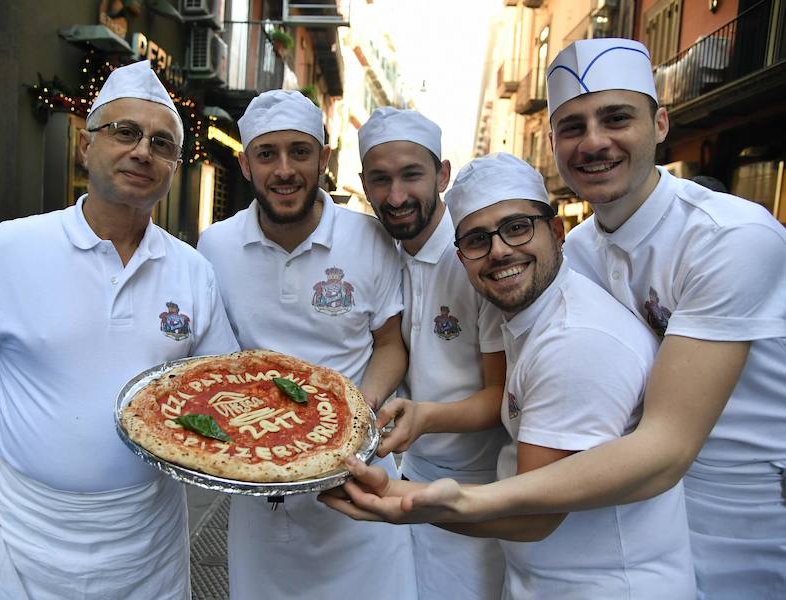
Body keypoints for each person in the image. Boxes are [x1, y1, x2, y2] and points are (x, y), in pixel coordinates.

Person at [326, 38, 786, 599]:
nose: (593, 142)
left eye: (616, 118)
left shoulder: (729, 237)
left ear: (661, 123)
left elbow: (665, 445)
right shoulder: (580, 248)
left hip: (742, 501)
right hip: (621, 509)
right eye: (572, 127)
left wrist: (444, 499)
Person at [0, 60, 239, 599]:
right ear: (85, 147)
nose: (143, 151)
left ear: (174, 167)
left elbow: (216, 395)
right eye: (125, 132)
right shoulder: (6, 250)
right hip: (19, 534)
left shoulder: (194, 271)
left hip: (148, 542)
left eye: (162, 143)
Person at [323, 153, 696, 598]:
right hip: (551, 576)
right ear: (462, 260)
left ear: (556, 233)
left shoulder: (573, 342)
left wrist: (401, 501)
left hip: (606, 584)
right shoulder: (528, 319)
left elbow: (533, 516)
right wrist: (423, 418)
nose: (499, 250)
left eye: (517, 227)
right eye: (479, 240)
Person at [197, 90, 416, 600]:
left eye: (300, 151)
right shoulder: (215, 246)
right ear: (245, 164)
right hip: (259, 480)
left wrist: (357, 412)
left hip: (358, 477)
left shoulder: (370, 238)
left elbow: (390, 344)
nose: (285, 169)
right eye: (267, 154)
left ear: (324, 155)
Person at [357, 107, 507, 599]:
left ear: (442, 174)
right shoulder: (383, 252)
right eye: (381, 180)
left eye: (411, 175)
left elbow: (500, 396)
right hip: (406, 475)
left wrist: (423, 418)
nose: (396, 196)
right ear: (364, 184)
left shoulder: (476, 258)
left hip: (477, 485)